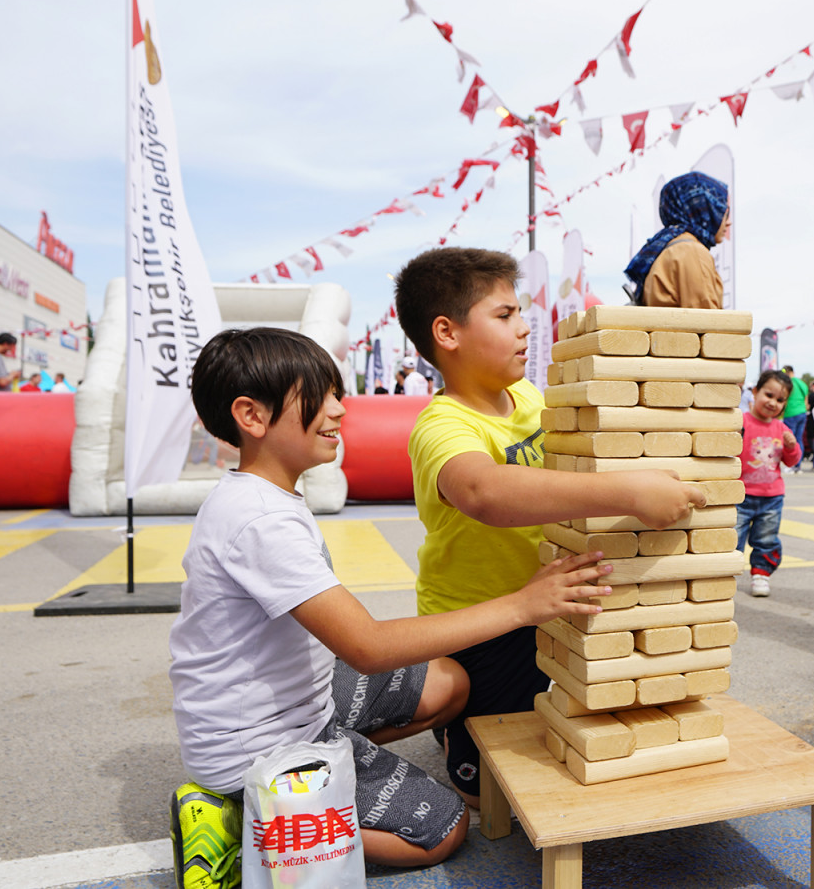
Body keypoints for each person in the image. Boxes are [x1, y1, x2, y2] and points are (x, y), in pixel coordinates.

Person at [167, 327, 615, 882]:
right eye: (319, 397)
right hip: (260, 743)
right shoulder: (261, 520)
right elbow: (369, 647)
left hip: (291, 698)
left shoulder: (260, 494)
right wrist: (525, 605)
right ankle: (246, 818)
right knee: (442, 829)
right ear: (251, 417)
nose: (339, 409)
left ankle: (330, 770)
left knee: (449, 682)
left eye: (337, 394)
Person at [394, 247, 704, 804]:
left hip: (552, 604)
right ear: (447, 332)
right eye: (505, 314)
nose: (525, 327)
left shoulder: (529, 397)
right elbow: (484, 492)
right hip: (482, 627)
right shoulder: (442, 425)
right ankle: (452, 724)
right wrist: (629, 491)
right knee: (493, 793)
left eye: (521, 312)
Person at [736, 370, 802, 598]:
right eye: (769, 395)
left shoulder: (782, 429)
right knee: (733, 538)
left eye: (780, 400)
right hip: (740, 496)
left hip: (771, 497)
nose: (773, 403)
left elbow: (792, 461)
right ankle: (726, 574)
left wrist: (792, 446)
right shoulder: (742, 421)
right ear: (755, 392)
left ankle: (761, 574)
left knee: (766, 539)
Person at [624, 171, 730, 308]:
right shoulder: (691, 251)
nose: (728, 222)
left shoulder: (665, 248)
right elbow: (705, 318)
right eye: (724, 213)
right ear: (704, 209)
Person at [778, 365, 809, 469]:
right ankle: (798, 465)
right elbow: (806, 400)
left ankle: (790, 465)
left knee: (789, 439)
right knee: (799, 439)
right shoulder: (802, 383)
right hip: (802, 413)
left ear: (787, 372)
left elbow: (784, 399)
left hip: (791, 413)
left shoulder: (787, 383)